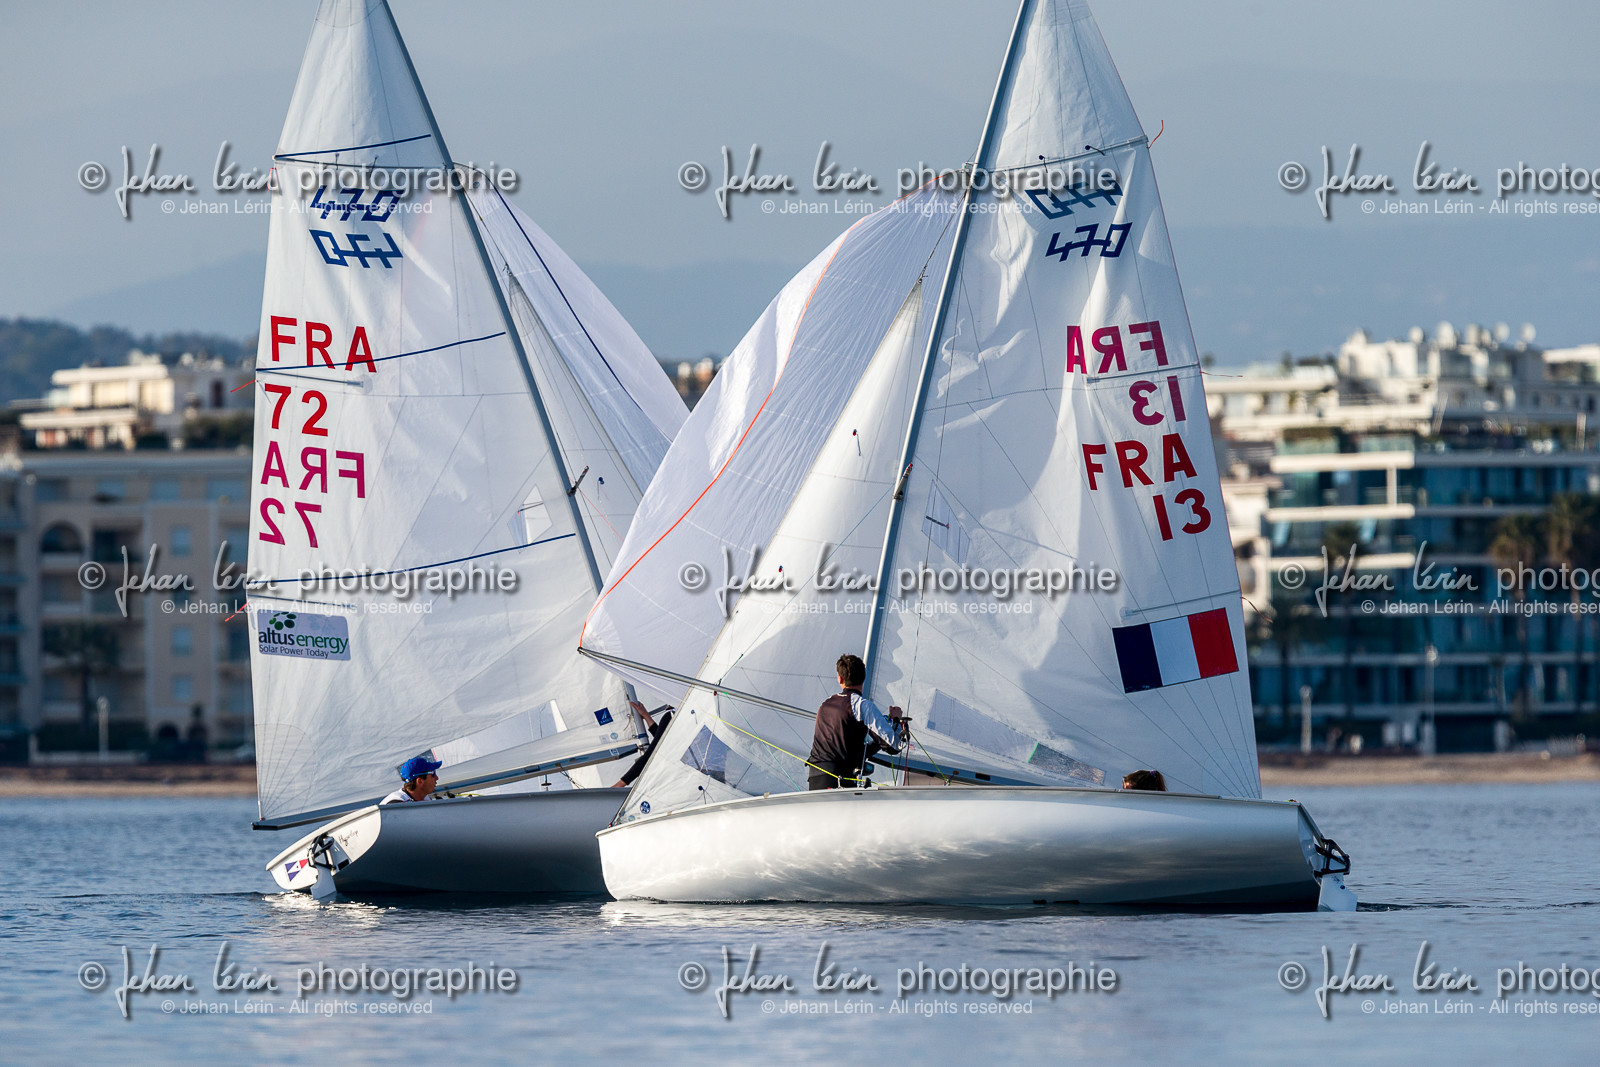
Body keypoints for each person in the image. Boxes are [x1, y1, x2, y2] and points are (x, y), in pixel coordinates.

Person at [807, 653, 905, 790]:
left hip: (815, 779)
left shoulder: (825, 704)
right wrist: (896, 720)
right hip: (839, 781)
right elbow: (893, 746)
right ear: (863, 679)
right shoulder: (862, 705)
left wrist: (877, 739)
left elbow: (850, 748)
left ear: (840, 678)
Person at [612, 700, 675, 788]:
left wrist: (620, 784)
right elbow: (663, 740)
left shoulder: (671, 715)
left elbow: (653, 752)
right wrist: (646, 716)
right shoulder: (684, 714)